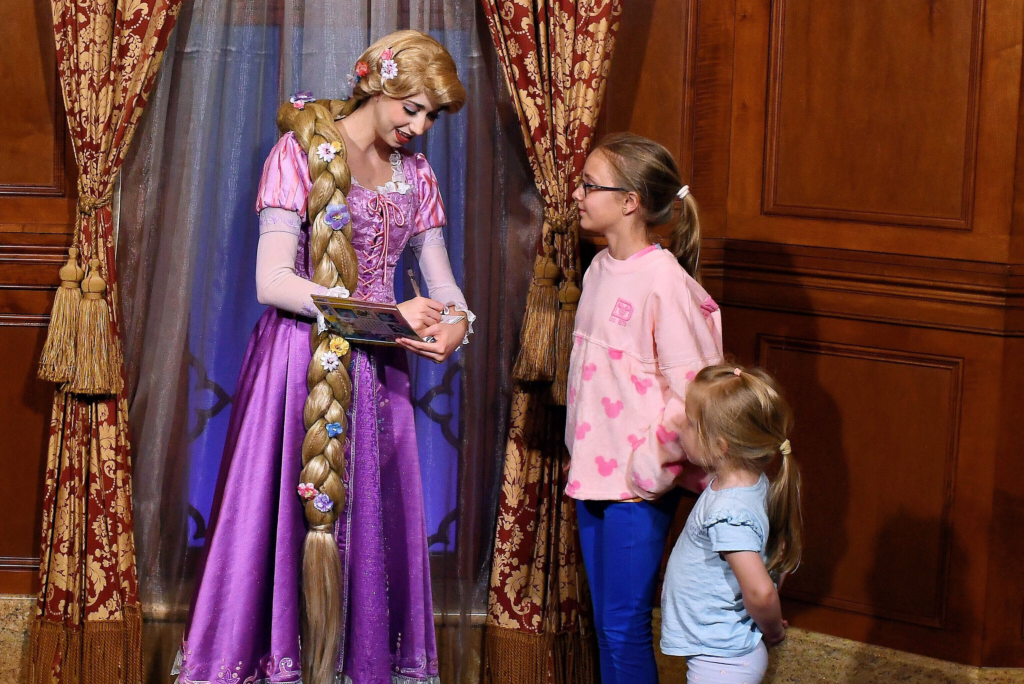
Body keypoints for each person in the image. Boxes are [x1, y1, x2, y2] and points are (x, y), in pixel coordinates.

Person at [173, 30, 472, 684]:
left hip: (379, 377)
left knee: (370, 531)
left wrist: (455, 323)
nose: (419, 127)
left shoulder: (413, 174)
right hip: (296, 366)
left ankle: (356, 664)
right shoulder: (299, 152)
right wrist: (392, 314)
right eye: (411, 108)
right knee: (278, 520)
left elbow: (442, 282)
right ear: (375, 84)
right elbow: (272, 281)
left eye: (432, 115)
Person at [564, 133, 724, 683]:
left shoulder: (665, 283)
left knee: (623, 625)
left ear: (630, 200)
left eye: (590, 185)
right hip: (593, 477)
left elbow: (697, 392)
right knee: (607, 626)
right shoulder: (598, 269)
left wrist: (649, 467)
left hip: (638, 487)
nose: (578, 195)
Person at [660, 364, 802, 684]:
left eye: (692, 423)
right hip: (721, 654)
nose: (681, 426)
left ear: (721, 446)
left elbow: (761, 591)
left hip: (723, 661)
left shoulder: (729, 512)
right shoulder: (751, 484)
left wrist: (774, 630)